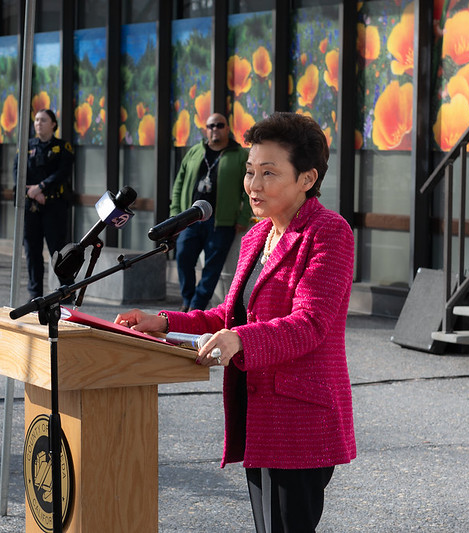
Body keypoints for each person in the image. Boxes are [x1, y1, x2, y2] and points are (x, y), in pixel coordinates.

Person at [115, 112, 355, 533]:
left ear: (307, 178)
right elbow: (228, 317)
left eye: (268, 173)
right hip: (258, 411)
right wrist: (162, 321)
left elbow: (310, 323)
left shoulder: (328, 232)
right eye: (249, 172)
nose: (254, 185)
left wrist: (239, 340)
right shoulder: (257, 237)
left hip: (299, 418)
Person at [171, 112, 251, 311]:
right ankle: (188, 299)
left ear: (227, 129)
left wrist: (243, 216)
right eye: (211, 126)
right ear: (206, 130)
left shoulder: (240, 155)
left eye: (220, 125)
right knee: (183, 257)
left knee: (212, 268)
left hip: (221, 222)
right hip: (190, 219)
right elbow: (179, 182)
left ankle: (196, 306)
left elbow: (249, 189)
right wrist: (176, 214)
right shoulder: (195, 152)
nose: (215, 129)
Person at [14, 108, 75, 300]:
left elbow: (63, 173)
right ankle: (35, 293)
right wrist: (32, 192)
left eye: (43, 120)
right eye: (37, 120)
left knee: (57, 251)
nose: (38, 123)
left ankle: (66, 291)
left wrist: (41, 188)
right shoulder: (26, 146)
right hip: (32, 206)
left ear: (53, 124)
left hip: (54, 206)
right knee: (32, 251)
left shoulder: (62, 147)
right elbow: (17, 172)